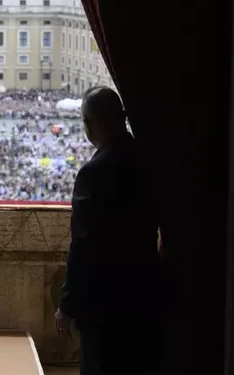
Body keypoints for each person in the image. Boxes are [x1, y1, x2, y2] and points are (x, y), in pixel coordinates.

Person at [55, 86, 161, 374]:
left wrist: (67, 304)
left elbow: (84, 246)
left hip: (105, 306)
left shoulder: (94, 173)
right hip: (147, 294)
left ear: (89, 125)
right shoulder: (149, 159)